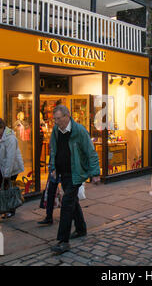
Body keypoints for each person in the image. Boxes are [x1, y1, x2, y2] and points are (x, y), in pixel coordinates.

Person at [49, 105, 100, 255]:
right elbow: (53, 149)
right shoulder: (55, 130)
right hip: (62, 172)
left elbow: (91, 152)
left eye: (59, 119)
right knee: (72, 201)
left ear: (67, 116)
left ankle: (63, 241)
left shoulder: (79, 131)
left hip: (76, 173)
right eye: (55, 119)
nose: (57, 122)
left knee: (66, 203)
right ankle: (81, 228)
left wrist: (95, 173)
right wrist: (52, 168)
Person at [0, 117, 24, 219]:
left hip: (11, 167)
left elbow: (10, 157)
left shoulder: (10, 138)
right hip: (1, 165)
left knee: (7, 188)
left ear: (1, 127)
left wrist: (7, 174)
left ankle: (10, 209)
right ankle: (6, 207)